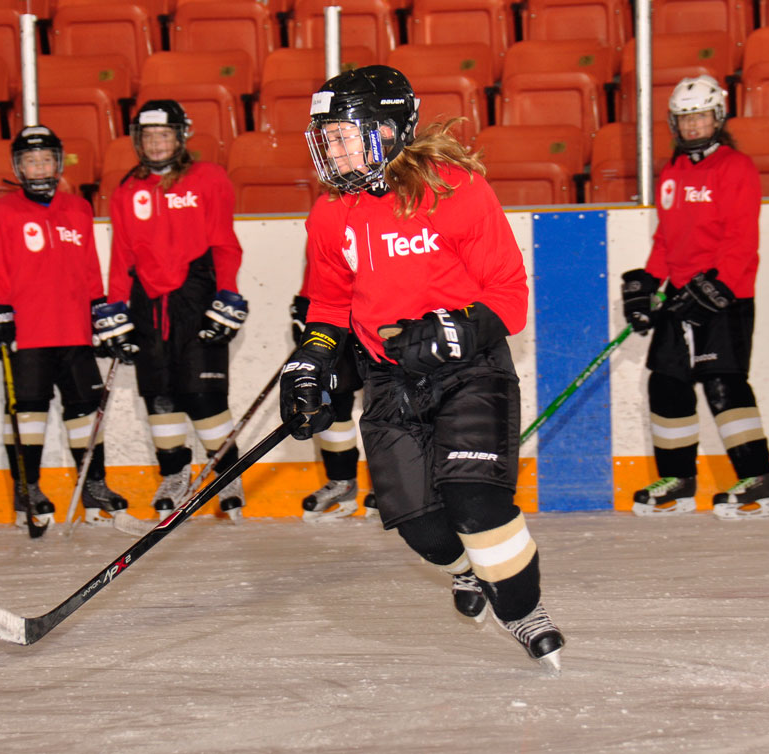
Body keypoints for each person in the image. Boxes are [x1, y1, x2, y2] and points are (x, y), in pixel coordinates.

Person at [280, 66, 565, 670]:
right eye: (325, 137)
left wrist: (458, 327)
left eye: (342, 135)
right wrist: (314, 357)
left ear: (387, 130)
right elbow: (329, 304)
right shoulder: (331, 215)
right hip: (390, 381)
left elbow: (508, 293)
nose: (331, 150)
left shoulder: (455, 189)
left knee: (474, 504)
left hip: (471, 371)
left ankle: (521, 608)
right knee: (424, 531)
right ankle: (465, 572)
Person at [622, 74, 769, 520]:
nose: (694, 126)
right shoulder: (672, 173)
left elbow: (741, 239)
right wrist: (647, 285)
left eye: (702, 116)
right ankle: (679, 480)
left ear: (718, 117)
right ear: (675, 122)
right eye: (686, 118)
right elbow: (667, 241)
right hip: (679, 297)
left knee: (722, 382)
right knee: (666, 383)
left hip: (724, 299)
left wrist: (717, 286)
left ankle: (758, 482)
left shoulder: (736, 167)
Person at [0, 125, 136, 528]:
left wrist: (100, 317)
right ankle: (27, 488)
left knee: (85, 410)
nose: (39, 166)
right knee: (28, 412)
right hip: (28, 332)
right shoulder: (4, 211)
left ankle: (94, 484)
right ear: (19, 167)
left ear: (58, 162)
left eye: (46, 159)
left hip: (74, 330)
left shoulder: (78, 207)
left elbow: (88, 268)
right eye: (31, 161)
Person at [108, 100, 250, 522]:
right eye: (148, 136)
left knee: (202, 393)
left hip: (197, 293)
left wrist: (227, 293)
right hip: (147, 301)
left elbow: (225, 242)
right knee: (159, 393)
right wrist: (114, 307)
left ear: (180, 137)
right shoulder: (126, 189)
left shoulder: (208, 178)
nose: (155, 144)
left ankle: (227, 475)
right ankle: (174, 475)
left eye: (164, 135)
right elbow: (121, 257)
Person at [289, 280, 377, 521]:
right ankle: (342, 481)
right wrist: (306, 302)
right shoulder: (323, 239)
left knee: (386, 399)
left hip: (378, 314)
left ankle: (392, 482)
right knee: (334, 401)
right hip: (334, 319)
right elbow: (319, 265)